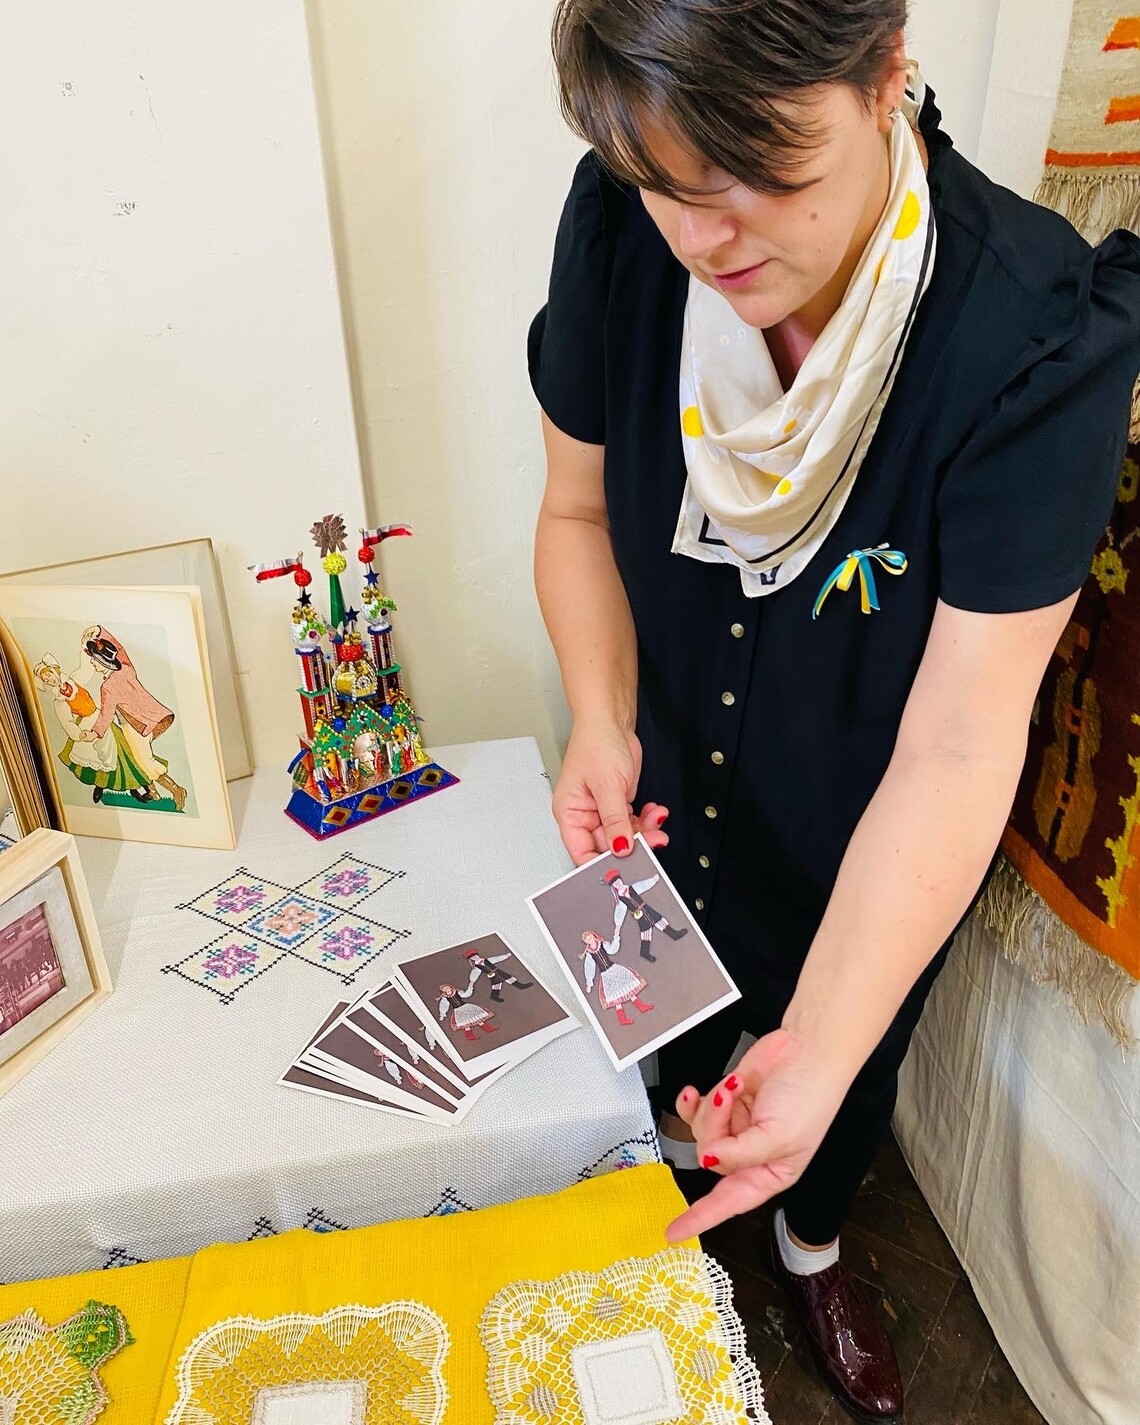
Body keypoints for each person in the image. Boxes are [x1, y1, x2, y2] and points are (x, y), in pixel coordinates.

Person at [529, 2, 1140, 1417]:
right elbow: (571, 508)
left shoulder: (1033, 334)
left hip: (877, 830)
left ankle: (811, 1250)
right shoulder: (625, 230)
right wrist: (599, 716)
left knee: (837, 1077)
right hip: (664, 780)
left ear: (882, 73)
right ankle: (684, 1230)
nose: (706, 237)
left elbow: (961, 740)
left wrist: (825, 1041)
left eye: (762, 169)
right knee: (666, 1068)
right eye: (666, 184)